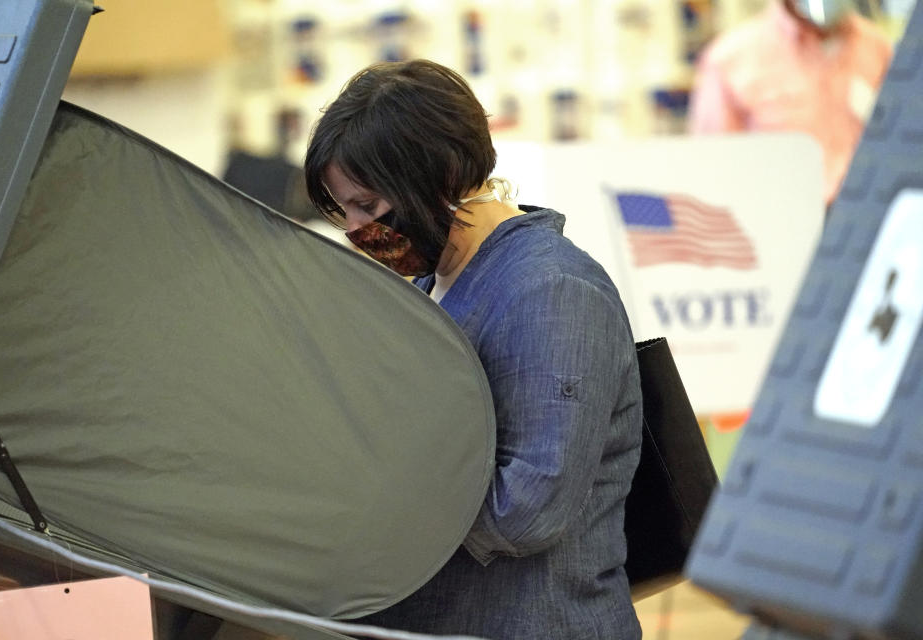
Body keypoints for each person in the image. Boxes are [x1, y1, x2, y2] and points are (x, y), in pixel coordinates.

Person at [304, 59, 643, 640]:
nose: (357, 230)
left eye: (367, 205)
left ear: (440, 176)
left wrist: (375, 498)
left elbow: (528, 509)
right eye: (345, 212)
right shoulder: (426, 285)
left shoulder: (551, 292)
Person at [688, 0, 893, 206]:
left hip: (871, 216)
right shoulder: (730, 60)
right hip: (782, 220)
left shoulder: (879, 48)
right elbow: (714, 171)